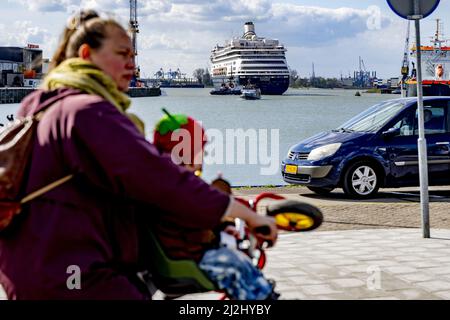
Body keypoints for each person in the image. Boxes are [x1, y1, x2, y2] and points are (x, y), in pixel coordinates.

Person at [0, 10, 277, 300]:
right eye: (122, 54)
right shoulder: (86, 112)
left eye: (133, 55)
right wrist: (245, 214)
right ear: (86, 54)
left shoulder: (46, 107)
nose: (132, 64)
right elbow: (163, 181)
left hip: (34, 269)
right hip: (73, 276)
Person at [152, 112, 279, 300]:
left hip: (174, 255)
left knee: (238, 262)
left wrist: (222, 226)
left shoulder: (158, 179)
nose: (203, 155)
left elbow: (197, 215)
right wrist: (253, 218)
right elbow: (215, 203)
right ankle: (263, 298)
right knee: (237, 264)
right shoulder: (180, 183)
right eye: (200, 149)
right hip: (187, 259)